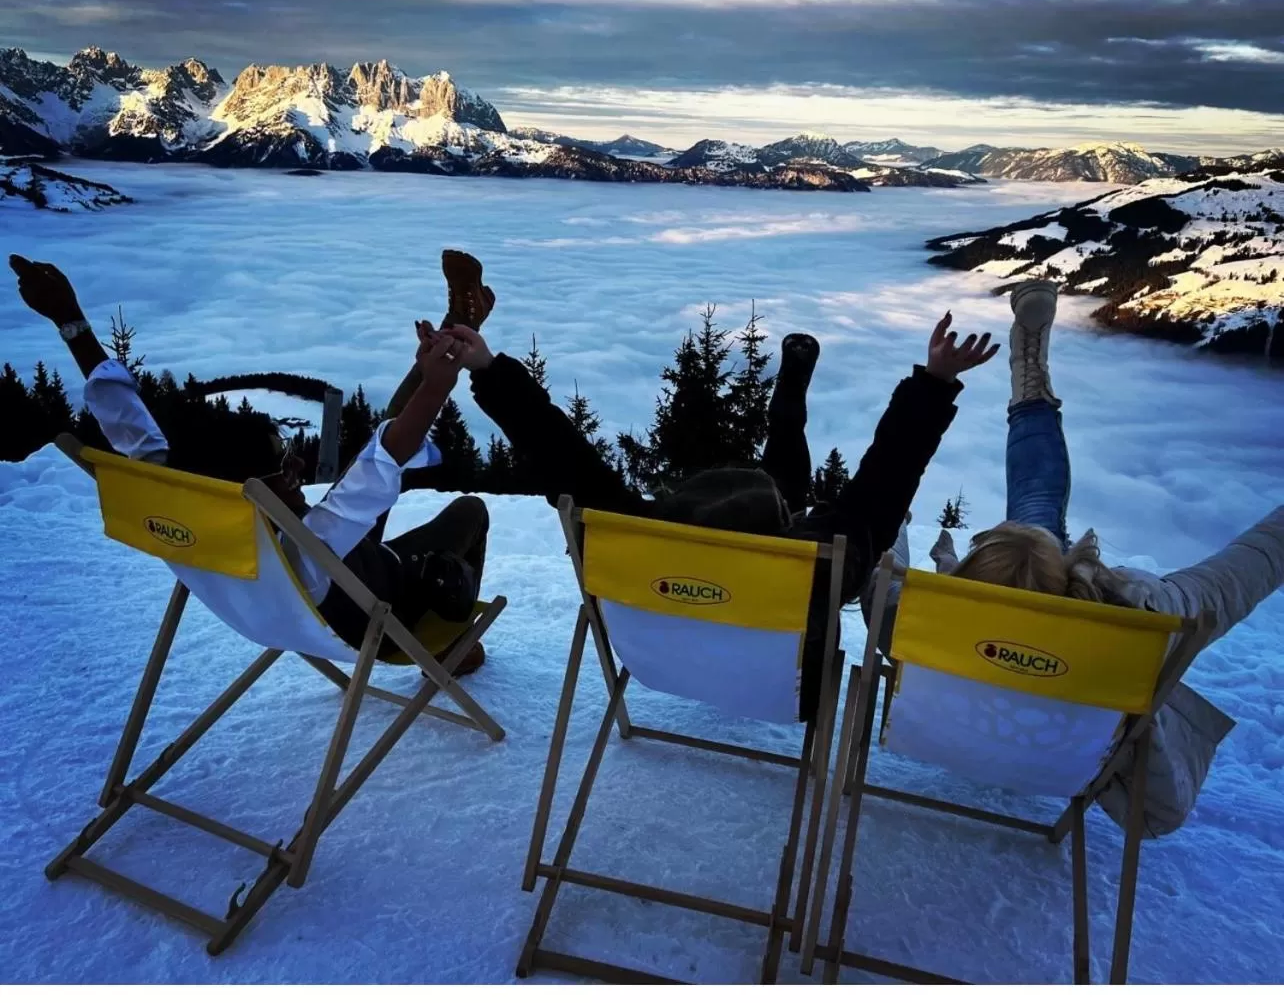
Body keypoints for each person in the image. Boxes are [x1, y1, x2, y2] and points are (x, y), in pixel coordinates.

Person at [430, 271, 999, 717]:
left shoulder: (641, 536)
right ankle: (788, 415)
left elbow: (562, 453)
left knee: (777, 485)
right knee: (787, 487)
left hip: (658, 666)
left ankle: (786, 412)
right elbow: (883, 489)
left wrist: (487, 369)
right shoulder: (818, 568)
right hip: (786, 689)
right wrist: (934, 384)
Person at [916, 278, 1284, 837]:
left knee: (1030, 531)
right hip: (1079, 762)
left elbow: (874, 548)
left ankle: (1028, 382)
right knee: (1035, 522)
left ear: (966, 575)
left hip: (944, 733)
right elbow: (1243, 571)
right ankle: (1030, 385)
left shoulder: (923, 613)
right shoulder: (1145, 620)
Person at [9, 253, 491, 674]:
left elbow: (126, 421)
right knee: (470, 512)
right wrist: (437, 384)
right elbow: (391, 451)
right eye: (284, 465)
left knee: (371, 463)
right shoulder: (312, 545)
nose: (297, 468)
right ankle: (451, 649)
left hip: (282, 608)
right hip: (377, 615)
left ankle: (456, 323)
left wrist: (69, 321)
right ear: (253, 486)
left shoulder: (182, 504)